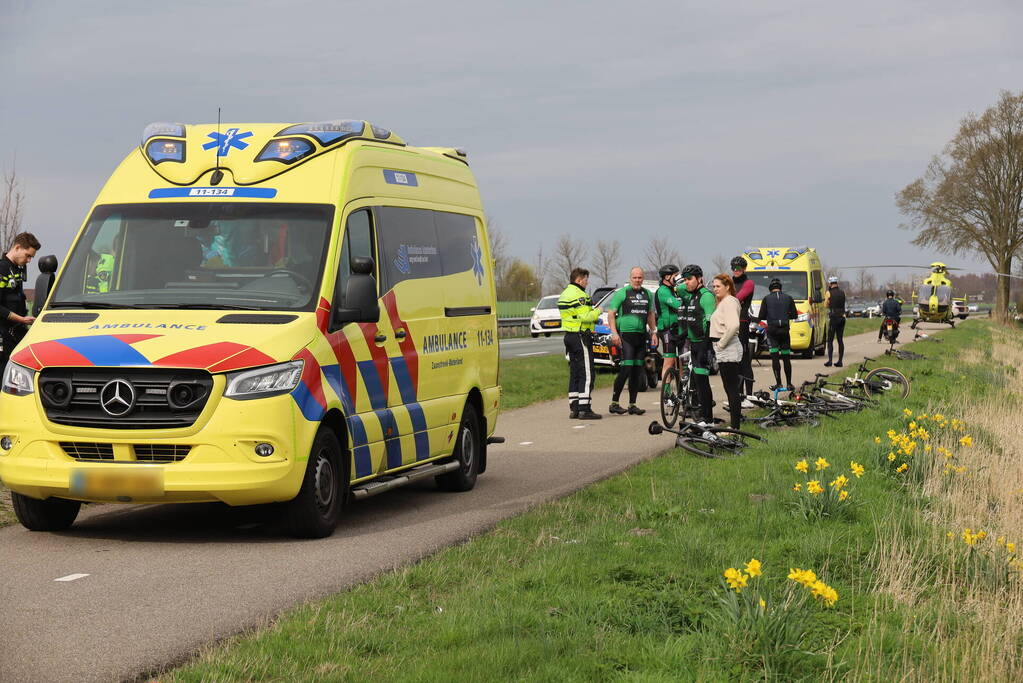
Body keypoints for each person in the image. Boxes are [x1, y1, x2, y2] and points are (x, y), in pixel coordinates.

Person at [607, 266, 657, 415]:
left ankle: (632, 404)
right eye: (635, 277)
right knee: (626, 369)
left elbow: (650, 315)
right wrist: (614, 333)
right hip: (626, 336)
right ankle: (614, 403)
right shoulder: (622, 293)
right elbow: (611, 314)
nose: (637, 280)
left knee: (637, 370)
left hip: (641, 336)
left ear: (643, 278)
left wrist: (654, 332)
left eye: (640, 277)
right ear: (630, 278)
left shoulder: (648, 294)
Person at [558, 267, 603, 419]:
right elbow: (585, 316)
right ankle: (585, 408)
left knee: (575, 372)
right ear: (578, 280)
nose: (587, 282)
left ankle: (575, 407)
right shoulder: (579, 295)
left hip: (569, 335)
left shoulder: (564, 294)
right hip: (580, 336)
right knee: (587, 372)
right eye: (585, 279)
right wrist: (598, 311)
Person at [677, 264, 716, 424]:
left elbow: (710, 323)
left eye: (689, 279)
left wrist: (705, 347)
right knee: (698, 384)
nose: (686, 282)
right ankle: (703, 417)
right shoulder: (691, 295)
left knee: (703, 383)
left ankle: (708, 418)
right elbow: (678, 289)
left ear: (700, 279)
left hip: (703, 344)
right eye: (685, 279)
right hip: (693, 342)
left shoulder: (706, 296)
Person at [0, 232, 40, 371]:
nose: (29, 260)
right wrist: (22, 319)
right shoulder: (2, 269)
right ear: (17, 248)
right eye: (28, 256)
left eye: (32, 257)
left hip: (17, 334)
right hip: (4, 336)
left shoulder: (17, 269)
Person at [709, 274, 744, 429]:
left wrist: (721, 344)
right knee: (729, 387)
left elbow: (734, 325)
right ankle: (735, 424)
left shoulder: (730, 302)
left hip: (728, 348)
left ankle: (735, 426)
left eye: (718, 286)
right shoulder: (724, 302)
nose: (715, 289)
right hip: (724, 348)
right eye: (714, 286)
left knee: (731, 389)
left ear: (727, 286)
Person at [757, 277, 798, 391]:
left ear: (770, 289)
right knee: (786, 357)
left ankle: (778, 383)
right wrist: (785, 315)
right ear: (780, 288)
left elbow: (761, 316)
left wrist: (771, 316)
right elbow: (795, 315)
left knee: (775, 358)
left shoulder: (766, 299)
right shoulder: (789, 298)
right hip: (784, 331)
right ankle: (789, 383)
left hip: (772, 331)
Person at [731, 256, 755, 402]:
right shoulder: (730, 282)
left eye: (738, 268)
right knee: (734, 360)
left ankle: (750, 394)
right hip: (730, 322)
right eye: (733, 268)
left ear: (744, 269)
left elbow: (738, 298)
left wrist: (725, 298)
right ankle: (739, 394)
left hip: (742, 321)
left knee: (744, 358)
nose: (736, 271)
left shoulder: (749, 283)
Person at [654, 264, 682, 384]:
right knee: (669, 361)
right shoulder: (663, 291)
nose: (677, 278)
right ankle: (666, 392)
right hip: (667, 330)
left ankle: (682, 389)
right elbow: (678, 305)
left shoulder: (673, 289)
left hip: (678, 329)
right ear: (666, 277)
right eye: (675, 276)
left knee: (682, 361)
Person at [824, 276, 847, 367]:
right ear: (837, 283)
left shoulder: (828, 293)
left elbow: (826, 305)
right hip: (842, 317)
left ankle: (830, 361)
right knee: (840, 339)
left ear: (830, 284)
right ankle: (840, 361)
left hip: (834, 318)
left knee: (830, 340)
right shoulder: (843, 292)